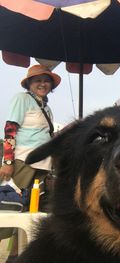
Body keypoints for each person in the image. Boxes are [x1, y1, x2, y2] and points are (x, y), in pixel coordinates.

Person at [0, 64, 61, 261]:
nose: (43, 84)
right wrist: (8, 161)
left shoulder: (46, 107)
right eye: (38, 81)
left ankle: (19, 255)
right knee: (12, 207)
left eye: (46, 80)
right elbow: (10, 129)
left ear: (51, 85)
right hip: (23, 163)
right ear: (29, 84)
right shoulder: (22, 99)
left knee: (30, 213)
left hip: (43, 166)